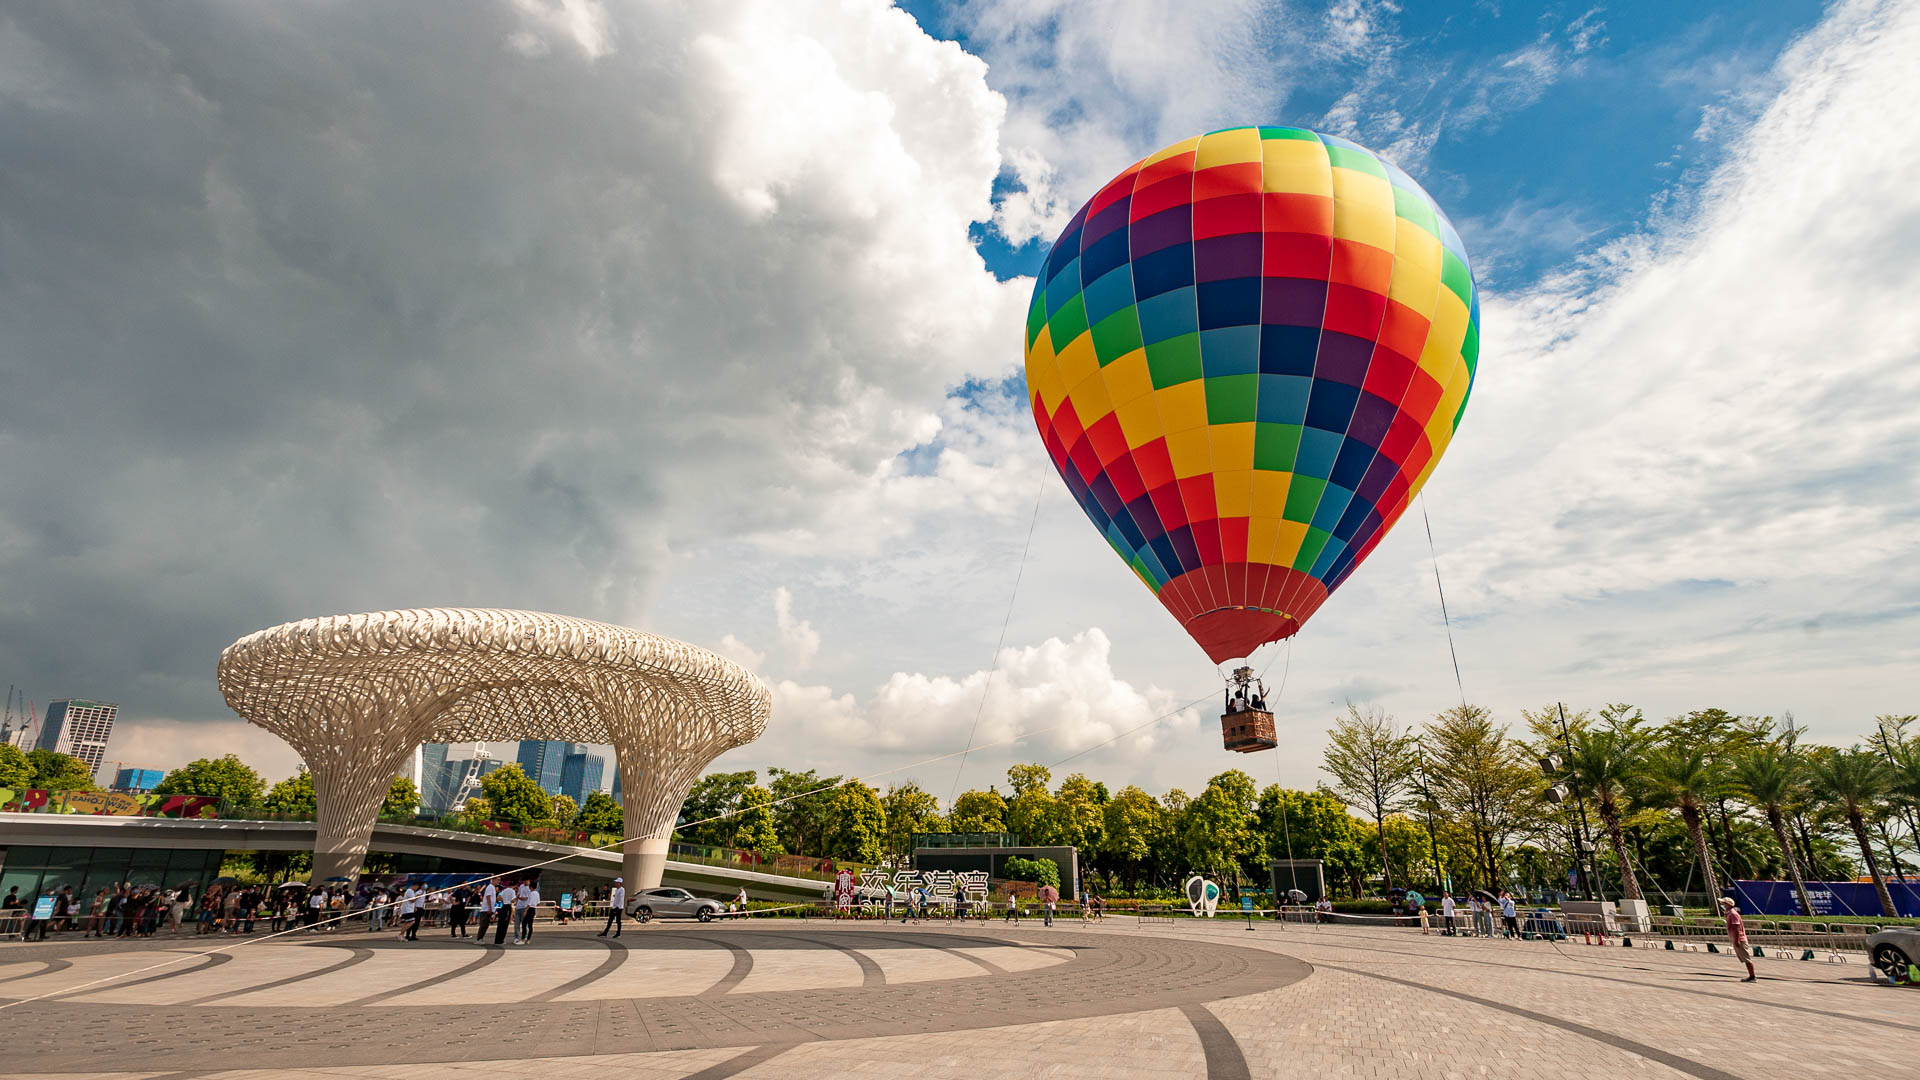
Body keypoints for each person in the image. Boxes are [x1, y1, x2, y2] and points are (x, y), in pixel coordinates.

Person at [1719, 896, 1757, 982]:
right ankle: (1751, 976)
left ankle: (1752, 976)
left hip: (1740, 939)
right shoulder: (1730, 913)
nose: (1722, 905)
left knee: (1746, 958)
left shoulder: (1733, 914)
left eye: (1723, 903)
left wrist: (1737, 940)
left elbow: (1737, 928)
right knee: (1744, 958)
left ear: (1727, 904)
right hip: (1736, 938)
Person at [515, 880, 540, 944]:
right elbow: (538, 903)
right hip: (533, 909)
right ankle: (528, 939)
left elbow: (529, 903)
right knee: (530, 925)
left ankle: (523, 939)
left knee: (524, 924)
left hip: (529, 909)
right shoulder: (537, 893)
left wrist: (525, 911)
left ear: (531, 887)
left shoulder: (531, 894)